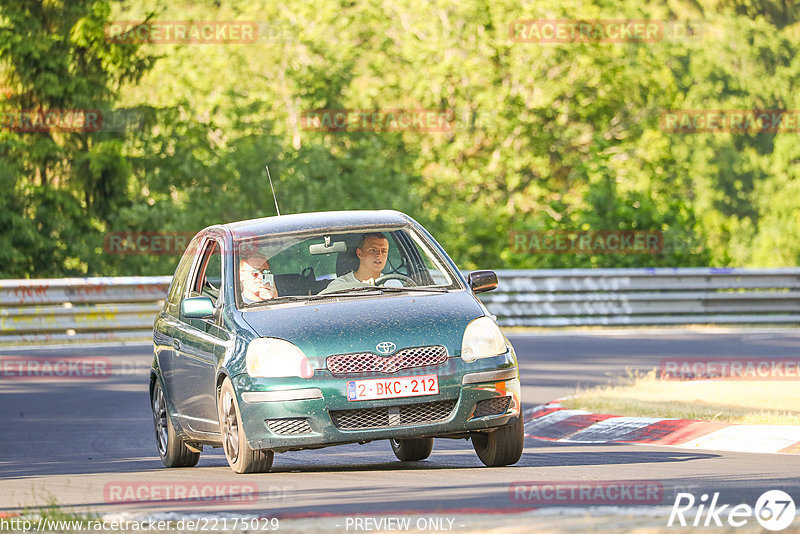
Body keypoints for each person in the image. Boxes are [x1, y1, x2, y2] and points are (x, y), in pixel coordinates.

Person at [320, 233, 389, 294]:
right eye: (373, 250)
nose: (379, 255)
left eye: (383, 251)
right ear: (359, 253)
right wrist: (363, 290)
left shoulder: (392, 285)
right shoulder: (338, 286)